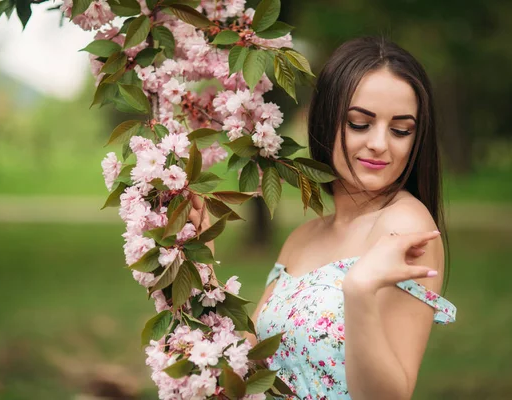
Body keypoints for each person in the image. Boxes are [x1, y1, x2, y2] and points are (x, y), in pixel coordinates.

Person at [190, 36, 457, 399]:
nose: (380, 143)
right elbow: (252, 366)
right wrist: (199, 264)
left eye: (400, 130)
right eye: (360, 123)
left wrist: (359, 292)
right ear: (326, 120)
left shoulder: (405, 229)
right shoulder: (304, 237)